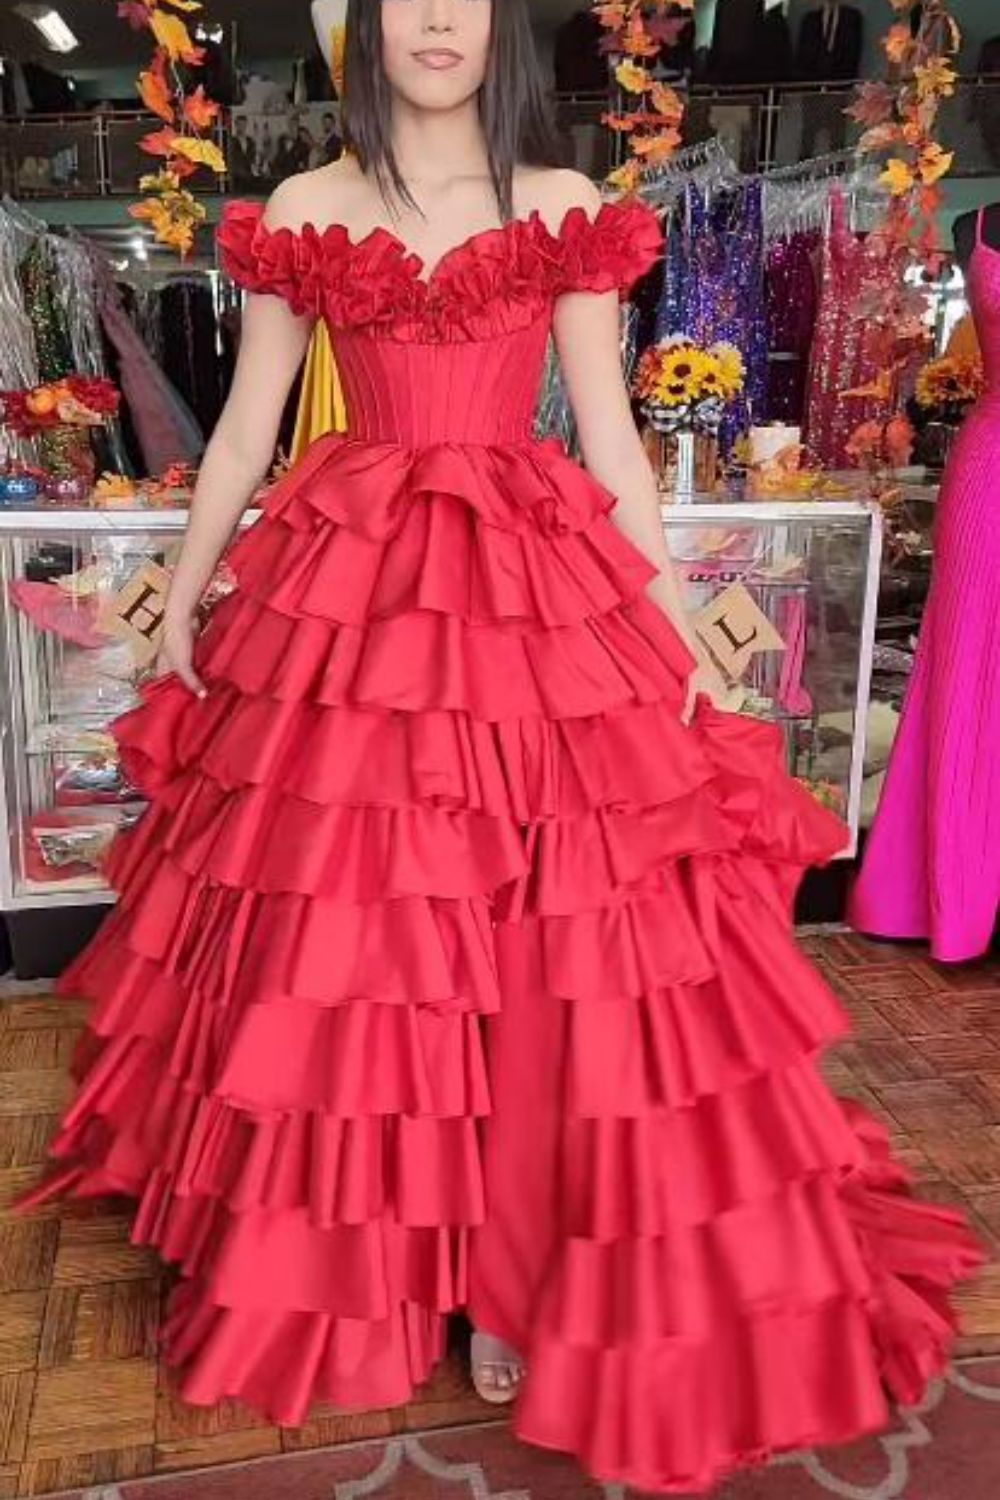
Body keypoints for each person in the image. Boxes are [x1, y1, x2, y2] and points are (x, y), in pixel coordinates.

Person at [20, 0, 982, 1493]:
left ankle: (519, 1278)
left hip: (532, 589)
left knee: (546, 946)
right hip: (353, 600)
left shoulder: (560, 200)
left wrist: (674, 637)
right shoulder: (307, 203)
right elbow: (244, 432)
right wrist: (187, 603)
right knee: (366, 941)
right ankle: (375, 1258)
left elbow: (609, 439)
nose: (436, 20)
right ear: (364, 24)